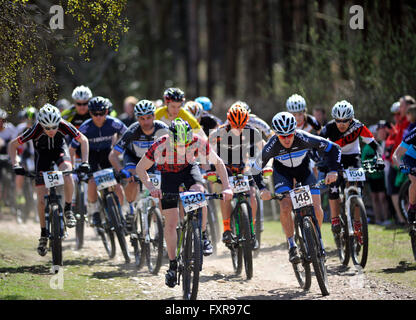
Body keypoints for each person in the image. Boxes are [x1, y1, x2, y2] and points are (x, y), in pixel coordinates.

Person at [136, 118, 233, 288]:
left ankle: (202, 235)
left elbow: (218, 163)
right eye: (178, 145)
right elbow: (140, 168)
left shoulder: (197, 141)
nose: (182, 148)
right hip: (167, 174)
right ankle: (173, 264)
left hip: (189, 169)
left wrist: (227, 188)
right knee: (171, 222)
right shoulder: (160, 145)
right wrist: (151, 187)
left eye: (185, 145)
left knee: (199, 193)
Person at [252, 112, 341, 263]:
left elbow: (334, 148)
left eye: (289, 135)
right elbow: (255, 169)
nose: (286, 139)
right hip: (282, 173)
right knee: (285, 206)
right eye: (282, 136)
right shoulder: (271, 146)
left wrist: (333, 170)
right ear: (277, 135)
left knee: (317, 207)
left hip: (304, 170)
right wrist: (262, 189)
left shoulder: (304, 137)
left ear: (294, 131)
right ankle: (292, 244)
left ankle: (317, 240)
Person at [9, 104, 90, 256]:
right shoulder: (35, 129)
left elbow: (83, 140)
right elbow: (12, 145)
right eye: (47, 128)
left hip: (60, 152)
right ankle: (43, 234)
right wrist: (16, 164)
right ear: (41, 125)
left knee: (67, 171)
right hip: (43, 158)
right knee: (40, 198)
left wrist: (85, 161)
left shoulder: (64, 124)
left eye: (54, 127)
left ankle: (68, 209)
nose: (51, 131)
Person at [319, 100, 384, 242]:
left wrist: (379, 158)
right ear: (333, 119)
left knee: (357, 191)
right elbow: (318, 144)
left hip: (353, 157)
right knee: (334, 186)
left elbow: (375, 145)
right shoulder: (329, 128)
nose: (341, 124)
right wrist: (321, 161)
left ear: (352, 118)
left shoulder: (358, 126)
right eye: (338, 120)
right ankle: (335, 219)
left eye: (345, 120)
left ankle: (357, 223)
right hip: (335, 158)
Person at [108, 99, 169, 232]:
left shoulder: (163, 128)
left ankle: (158, 223)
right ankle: (130, 210)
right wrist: (121, 170)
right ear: (137, 118)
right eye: (141, 118)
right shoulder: (132, 131)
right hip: (133, 159)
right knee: (132, 178)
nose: (145, 122)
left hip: (153, 160)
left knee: (159, 188)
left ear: (154, 116)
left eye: (148, 117)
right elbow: (113, 155)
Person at [208, 103, 263, 248]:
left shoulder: (252, 132)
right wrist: (209, 170)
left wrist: (264, 165)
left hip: (242, 167)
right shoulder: (218, 133)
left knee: (252, 193)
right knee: (224, 193)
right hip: (224, 168)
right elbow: (206, 149)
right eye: (234, 125)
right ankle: (226, 229)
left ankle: (251, 229)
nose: (238, 129)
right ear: (228, 121)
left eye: (241, 125)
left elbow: (263, 148)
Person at [69, 96, 127, 227]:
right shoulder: (85, 127)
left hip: (107, 153)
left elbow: (129, 134)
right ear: (90, 113)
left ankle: (121, 213)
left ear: (107, 112)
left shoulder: (113, 123)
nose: (99, 116)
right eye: (95, 113)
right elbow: (72, 148)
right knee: (92, 181)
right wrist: (72, 168)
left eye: (102, 113)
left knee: (117, 186)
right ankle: (94, 212)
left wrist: (122, 150)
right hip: (91, 155)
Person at [361, 126, 389, 225]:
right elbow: (363, 162)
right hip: (372, 177)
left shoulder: (380, 145)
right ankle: (378, 219)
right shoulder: (366, 148)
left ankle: (385, 218)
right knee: (375, 198)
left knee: (382, 197)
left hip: (380, 176)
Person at [393, 126, 416, 225]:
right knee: (415, 180)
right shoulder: (413, 134)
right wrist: (402, 167)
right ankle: (411, 208)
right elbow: (396, 155)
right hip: (411, 158)